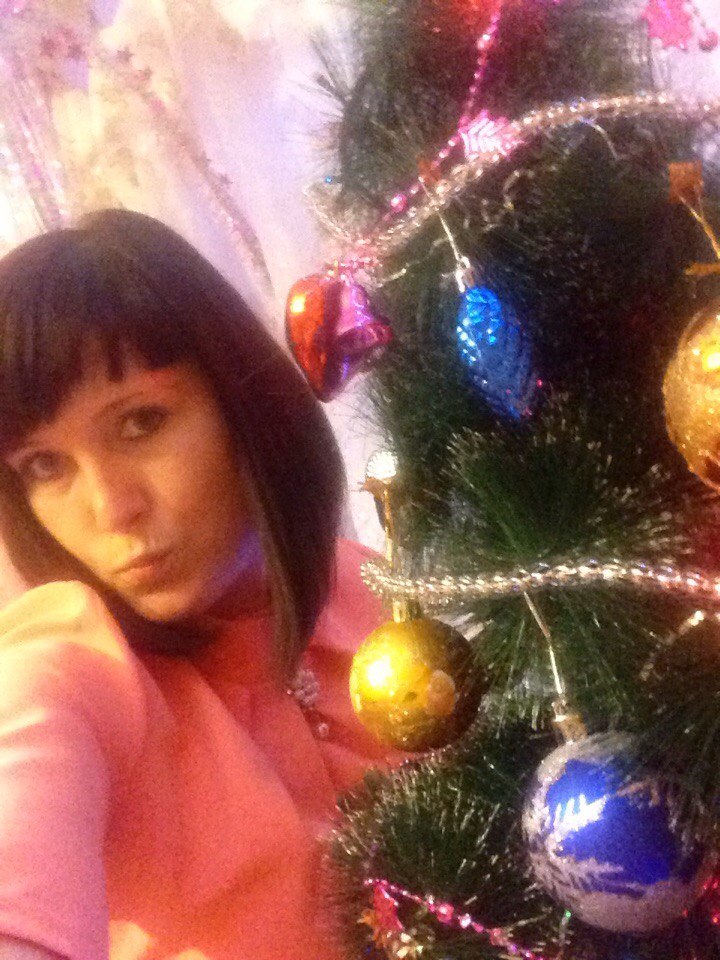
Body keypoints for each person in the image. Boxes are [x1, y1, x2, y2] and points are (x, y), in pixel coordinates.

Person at [0, 209, 396, 960]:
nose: (112, 508)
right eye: (45, 466)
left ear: (242, 403)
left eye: (140, 422)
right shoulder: (71, 669)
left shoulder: (363, 583)